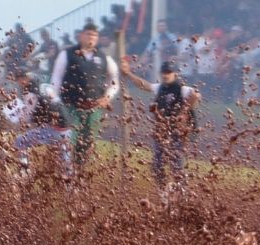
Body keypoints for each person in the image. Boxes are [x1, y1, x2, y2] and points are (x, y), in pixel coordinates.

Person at [47, 20, 120, 166]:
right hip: (70, 106)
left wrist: (107, 96)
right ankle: (64, 173)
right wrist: (55, 101)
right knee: (68, 140)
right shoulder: (67, 54)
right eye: (88, 34)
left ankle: (79, 175)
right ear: (81, 36)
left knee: (87, 142)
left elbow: (115, 81)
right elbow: (56, 78)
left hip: (93, 109)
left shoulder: (105, 58)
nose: (91, 37)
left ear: (97, 38)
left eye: (94, 35)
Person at [123, 56, 200, 188]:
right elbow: (143, 85)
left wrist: (183, 112)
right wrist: (128, 73)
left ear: (175, 73)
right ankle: (164, 190)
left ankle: (181, 191)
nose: (166, 75)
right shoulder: (159, 87)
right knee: (157, 164)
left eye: (168, 72)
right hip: (162, 131)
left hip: (178, 131)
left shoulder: (182, 89)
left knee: (176, 163)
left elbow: (196, 95)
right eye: (164, 72)